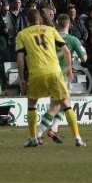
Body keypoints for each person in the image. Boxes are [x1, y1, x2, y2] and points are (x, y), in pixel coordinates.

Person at [16, 9, 85, 147]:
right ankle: (77, 138)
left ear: (27, 21)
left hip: (36, 74)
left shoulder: (22, 35)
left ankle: (33, 138)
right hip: (55, 72)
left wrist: (22, 78)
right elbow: (66, 51)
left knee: (31, 105)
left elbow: (20, 58)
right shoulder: (51, 30)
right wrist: (70, 69)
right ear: (40, 19)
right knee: (66, 104)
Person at [37, 14, 87, 144]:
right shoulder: (72, 40)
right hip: (62, 77)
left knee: (60, 104)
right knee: (59, 106)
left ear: (58, 24)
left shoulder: (50, 37)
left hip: (47, 73)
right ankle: (39, 134)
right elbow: (84, 58)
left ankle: (53, 129)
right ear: (69, 24)